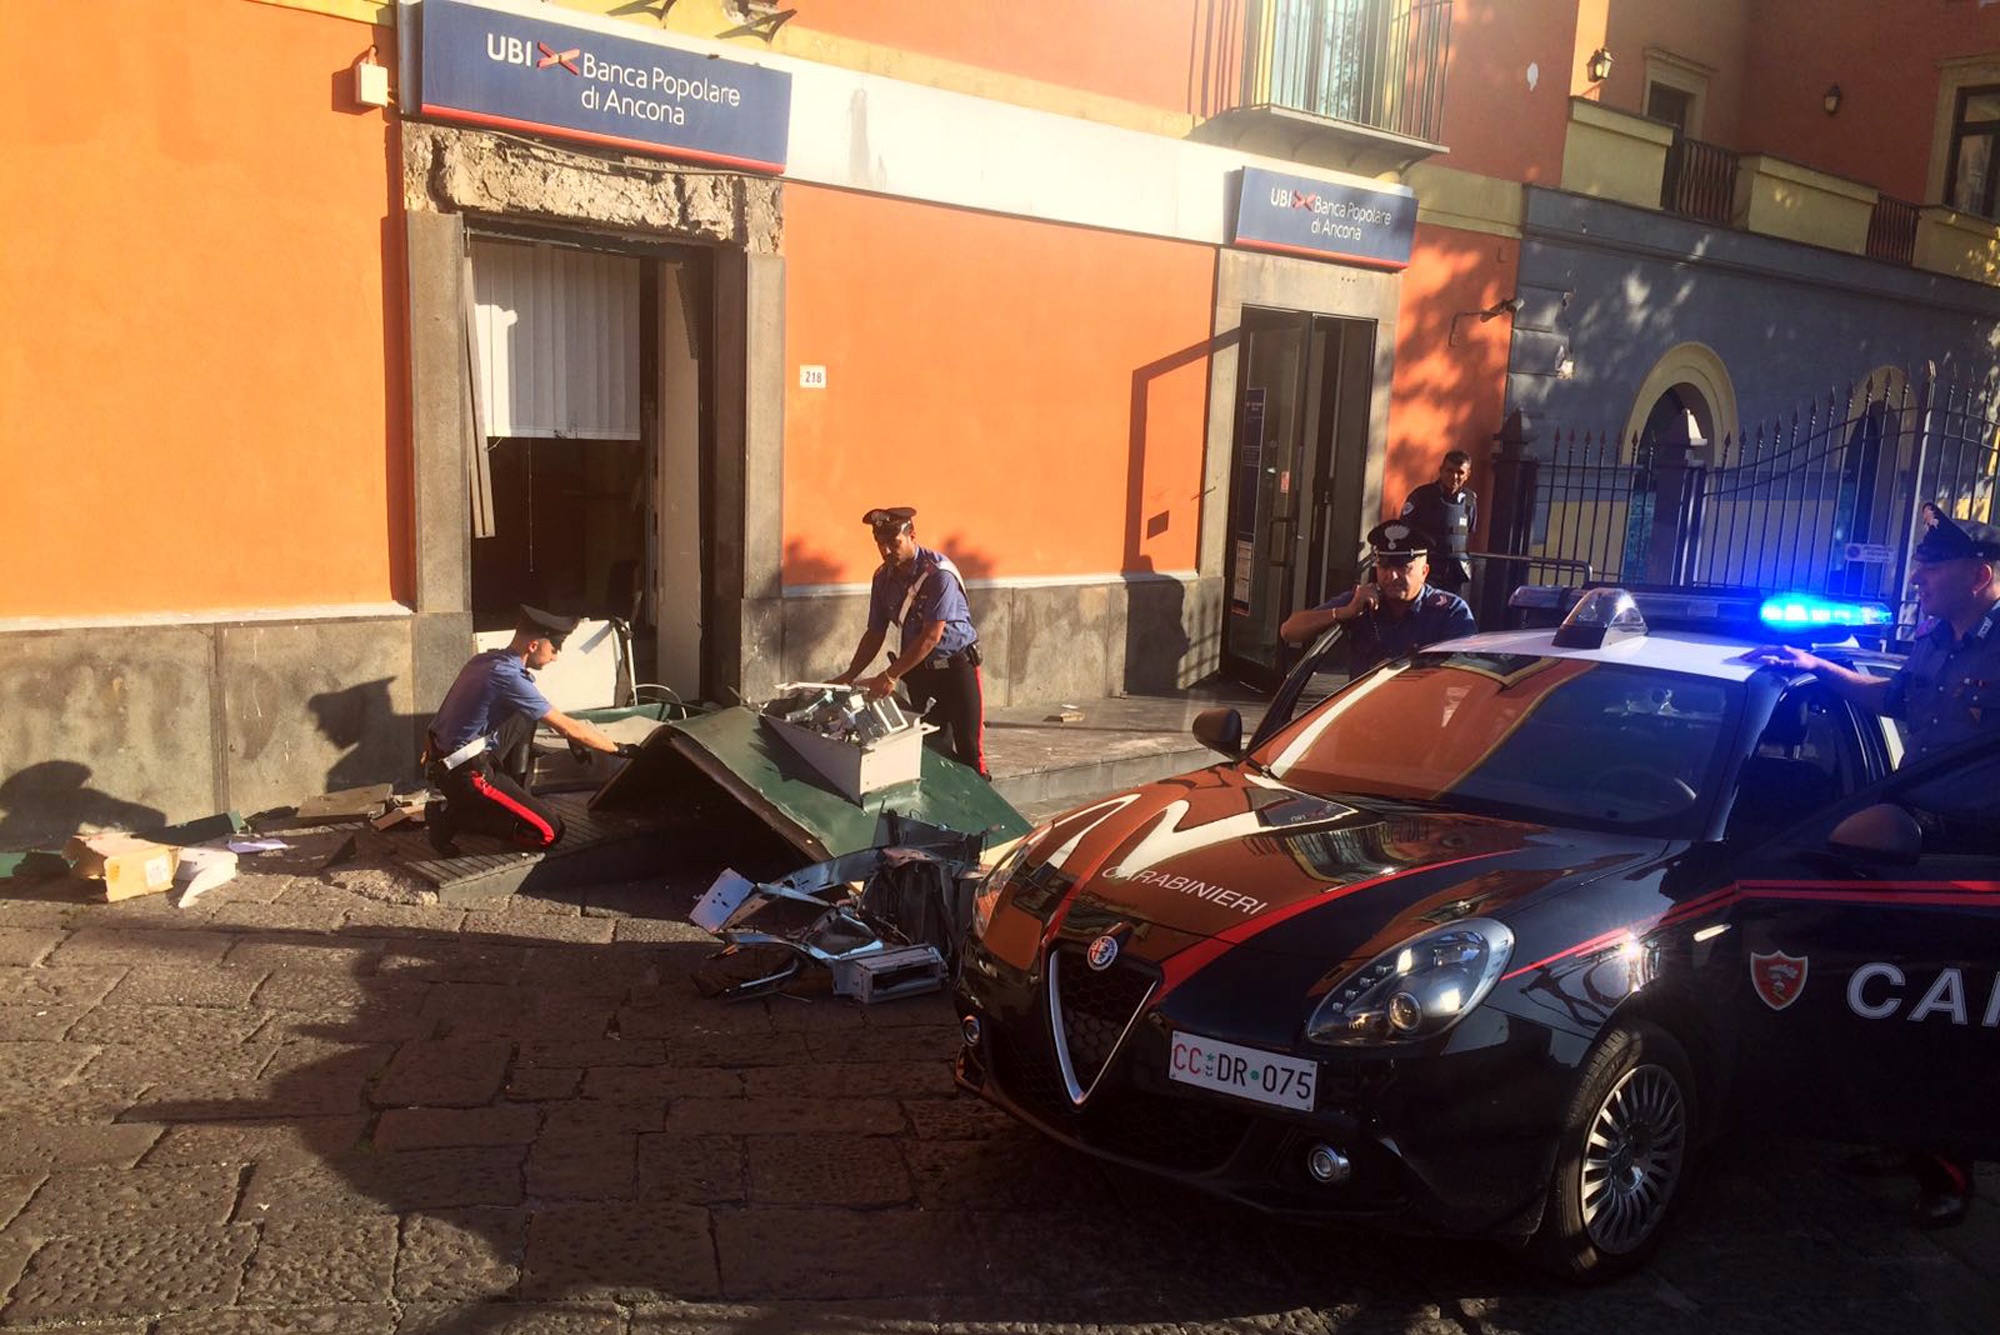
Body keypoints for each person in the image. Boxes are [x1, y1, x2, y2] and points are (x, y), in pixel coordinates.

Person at [1749, 508, 2000, 1229]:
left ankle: (1949, 1166)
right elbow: (1887, 698)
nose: (1918, 578)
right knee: (1891, 1001)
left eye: (1932, 567)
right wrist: (1815, 668)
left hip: (1972, 851)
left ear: (1979, 575)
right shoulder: (1933, 642)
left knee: (1950, 1012)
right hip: (1910, 837)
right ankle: (1897, 1132)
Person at [424, 605, 638, 853]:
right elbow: (569, 727)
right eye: (554, 650)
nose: (556, 657)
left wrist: (573, 735)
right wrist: (620, 749)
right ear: (534, 645)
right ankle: (453, 818)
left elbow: (445, 714)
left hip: (447, 764)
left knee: (525, 715)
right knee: (550, 832)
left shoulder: (485, 661)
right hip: (468, 775)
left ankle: (511, 797)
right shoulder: (509, 678)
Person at [832, 506, 988, 777]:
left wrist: (890, 675)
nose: (886, 551)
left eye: (893, 543)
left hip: (956, 668)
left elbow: (931, 636)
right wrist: (850, 674)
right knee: (925, 745)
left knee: (969, 750)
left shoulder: (938, 574)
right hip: (919, 671)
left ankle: (981, 798)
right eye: (880, 544)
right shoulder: (882, 578)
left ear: (911, 536)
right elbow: (875, 632)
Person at [1279, 520, 1477, 676]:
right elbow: (1289, 631)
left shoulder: (1449, 611)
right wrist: (1345, 612)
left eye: (1403, 567)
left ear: (1424, 571)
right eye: (1384, 567)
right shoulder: (1362, 601)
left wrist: (1404, 669)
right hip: (1364, 711)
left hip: (1421, 709)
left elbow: (1464, 672)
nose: (1392, 576)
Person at [1401, 449, 1478, 598]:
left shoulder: (1470, 500)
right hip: (1427, 572)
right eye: (1449, 470)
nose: (1454, 477)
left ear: (1468, 474)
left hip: (1455, 574)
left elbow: (1469, 532)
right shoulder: (1421, 496)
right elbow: (1404, 531)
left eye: (1460, 472)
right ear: (1441, 470)